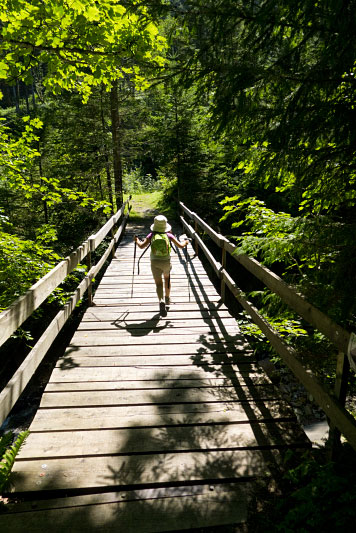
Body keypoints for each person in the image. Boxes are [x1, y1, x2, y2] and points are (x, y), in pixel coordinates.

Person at [133, 215, 189, 316]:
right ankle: (167, 299)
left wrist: (137, 240)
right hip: (166, 262)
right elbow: (180, 246)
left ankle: (161, 300)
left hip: (154, 262)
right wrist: (186, 242)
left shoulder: (151, 235)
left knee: (159, 284)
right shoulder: (169, 235)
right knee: (167, 279)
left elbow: (141, 246)